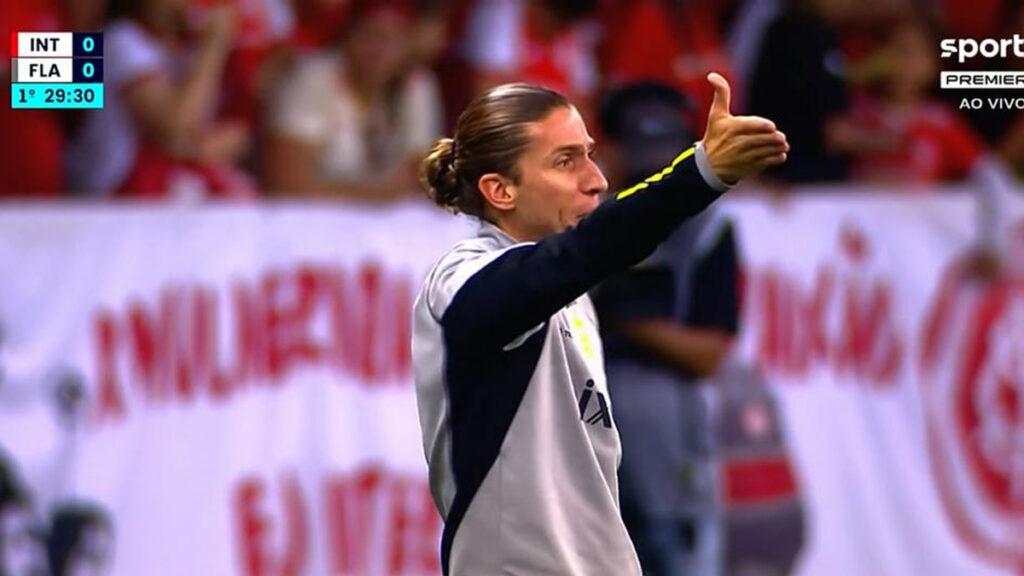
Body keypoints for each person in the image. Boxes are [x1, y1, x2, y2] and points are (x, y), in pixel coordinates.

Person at [411, 74, 788, 575]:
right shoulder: (462, 278)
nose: (597, 179)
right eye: (566, 161)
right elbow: (574, 257)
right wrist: (699, 174)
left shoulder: (572, 296)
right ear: (500, 190)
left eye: (590, 154)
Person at [592, 81, 740, 576]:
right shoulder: (586, 224)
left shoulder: (708, 229)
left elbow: (708, 354)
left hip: (664, 413)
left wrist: (628, 320)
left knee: (672, 550)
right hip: (583, 412)